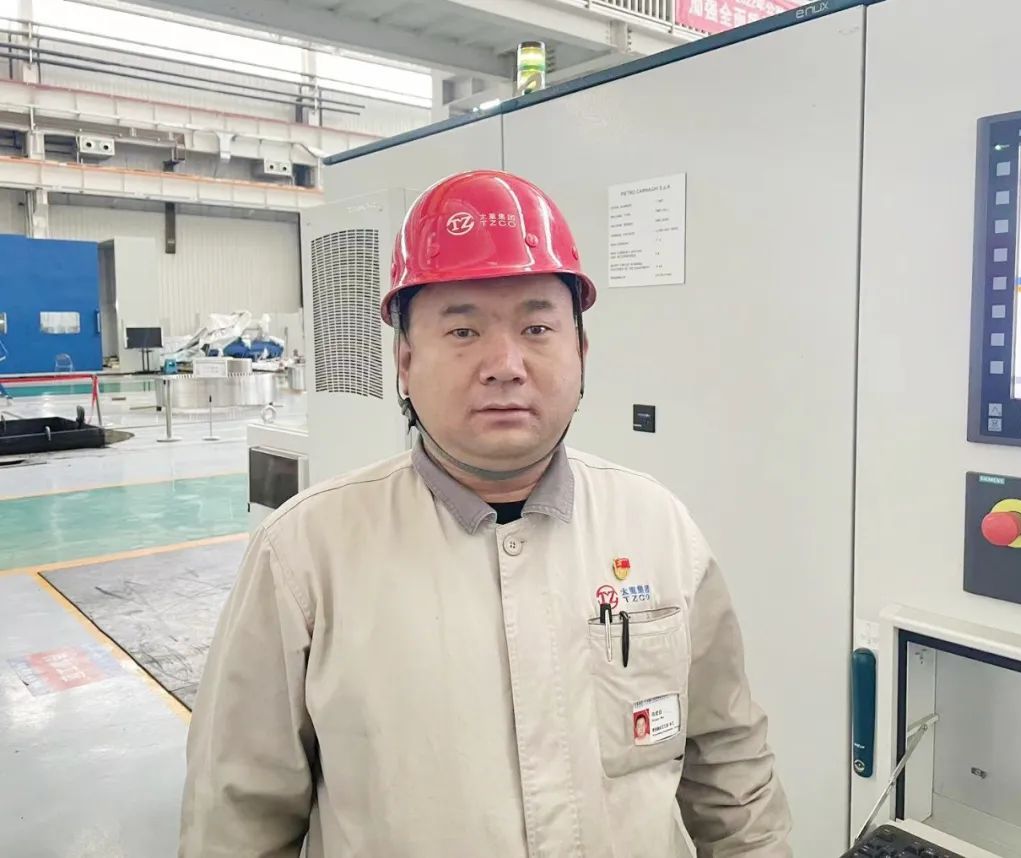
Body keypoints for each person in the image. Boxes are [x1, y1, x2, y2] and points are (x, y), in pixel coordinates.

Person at [179, 170, 792, 857]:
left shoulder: (657, 527)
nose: (505, 364)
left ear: (581, 352)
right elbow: (235, 819)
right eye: (463, 329)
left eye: (537, 327)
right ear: (405, 360)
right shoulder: (304, 555)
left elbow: (730, 770)